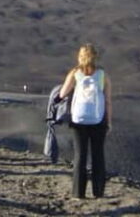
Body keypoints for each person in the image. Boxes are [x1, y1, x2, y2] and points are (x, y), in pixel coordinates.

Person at [58, 43, 112, 199]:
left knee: (80, 155)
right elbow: (108, 100)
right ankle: (98, 191)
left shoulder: (75, 73)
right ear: (95, 57)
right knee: (98, 155)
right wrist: (109, 122)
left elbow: (62, 94)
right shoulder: (102, 75)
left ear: (80, 57)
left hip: (78, 120)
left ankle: (78, 192)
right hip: (98, 120)